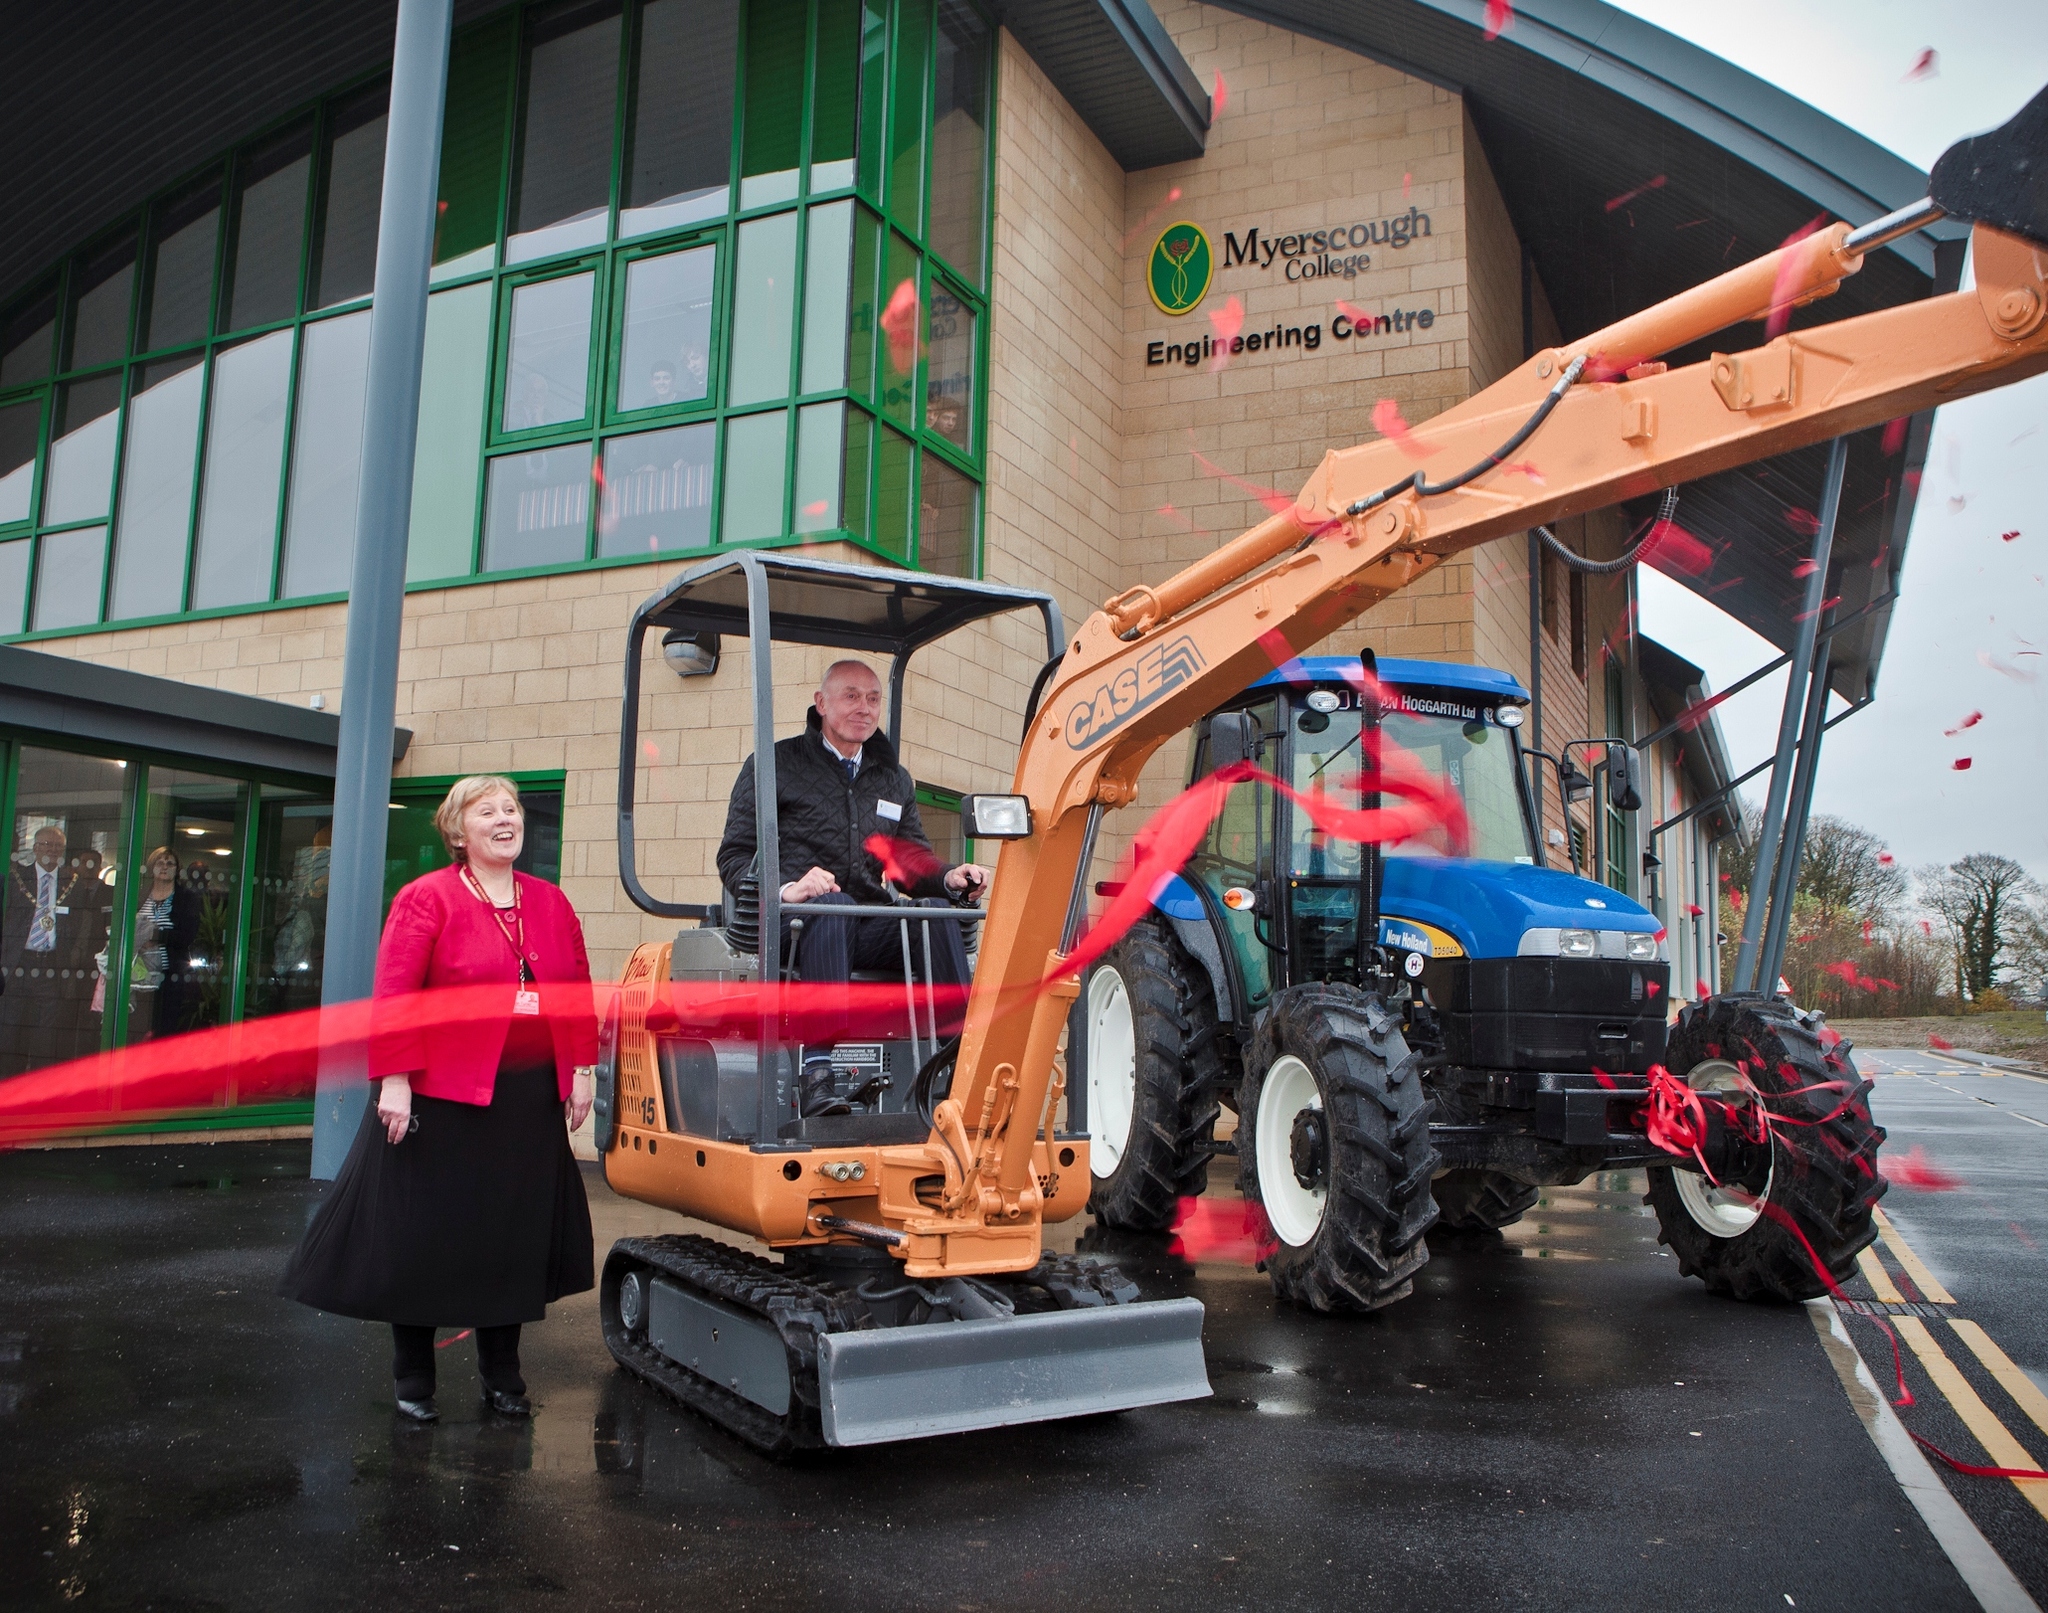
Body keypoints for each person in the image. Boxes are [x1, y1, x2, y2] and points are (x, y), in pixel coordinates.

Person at [280, 777, 599, 1424]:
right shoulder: (426, 897)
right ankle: (414, 1377)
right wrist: (394, 1079)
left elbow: (576, 990)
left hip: (526, 1097)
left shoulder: (550, 901)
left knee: (510, 1237)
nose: (506, 818)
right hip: (440, 1094)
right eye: (489, 811)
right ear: (459, 831)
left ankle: (503, 1375)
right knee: (422, 1237)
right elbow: (396, 994)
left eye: (511, 808)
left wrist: (583, 1068)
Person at [716, 659, 992, 1116]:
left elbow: (909, 861)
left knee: (930, 911)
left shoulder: (893, 779)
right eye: (850, 696)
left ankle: (961, 1063)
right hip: (794, 924)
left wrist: (947, 877)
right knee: (832, 905)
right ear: (821, 703)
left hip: (867, 921)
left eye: (872, 698)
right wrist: (787, 889)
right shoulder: (775, 765)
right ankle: (818, 1073)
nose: (863, 708)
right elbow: (735, 856)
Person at [0, 824, 104, 1077]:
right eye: (46, 845)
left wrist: (74, 957)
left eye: (57, 846)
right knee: (10, 1027)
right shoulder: (15, 879)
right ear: (35, 848)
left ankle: (37, 1086)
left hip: (53, 965)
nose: (52, 850)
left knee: (45, 1033)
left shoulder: (74, 884)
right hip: (17, 963)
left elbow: (82, 926)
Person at [130, 845, 201, 1040]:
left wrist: (155, 936)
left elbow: (187, 934)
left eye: (170, 863)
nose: (164, 867)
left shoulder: (186, 898)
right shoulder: (138, 895)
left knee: (164, 1032)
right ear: (151, 867)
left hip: (169, 976)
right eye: (159, 863)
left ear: (177, 869)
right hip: (136, 975)